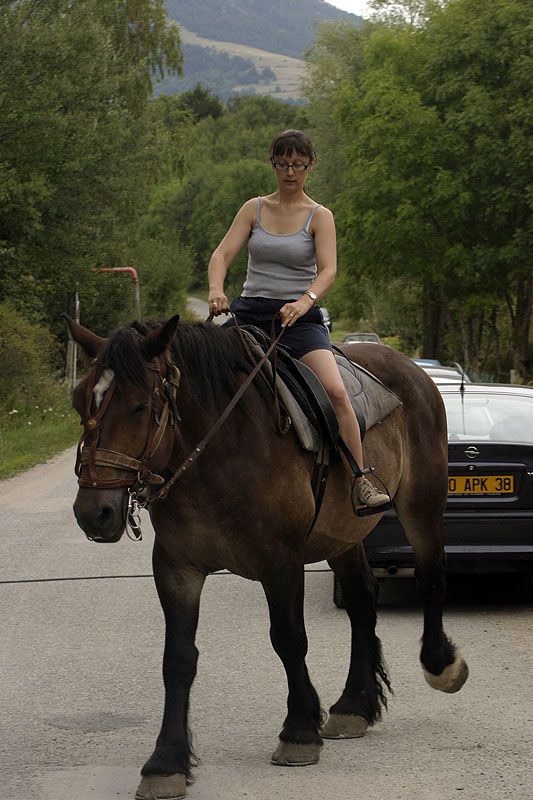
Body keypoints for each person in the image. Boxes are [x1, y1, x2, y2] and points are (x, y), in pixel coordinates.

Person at [207, 129, 389, 509]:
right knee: (205, 378)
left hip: (299, 320)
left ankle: (360, 479)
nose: (290, 172)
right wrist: (215, 289)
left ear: (311, 166)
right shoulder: (253, 209)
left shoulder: (320, 216)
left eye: (298, 165)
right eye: (283, 164)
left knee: (336, 392)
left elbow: (328, 271)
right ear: (272, 165)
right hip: (250, 313)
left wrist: (305, 301)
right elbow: (221, 255)